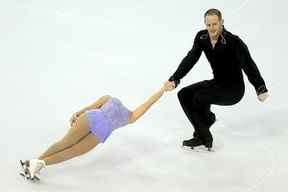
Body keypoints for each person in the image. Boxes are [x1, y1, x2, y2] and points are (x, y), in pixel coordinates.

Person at [165, 8, 269, 151]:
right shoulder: (202, 38)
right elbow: (191, 58)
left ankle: (204, 135)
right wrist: (175, 78)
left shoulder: (234, 41)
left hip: (233, 89)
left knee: (199, 97)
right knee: (184, 94)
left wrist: (260, 87)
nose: (211, 28)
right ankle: (205, 124)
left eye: (215, 24)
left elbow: (248, 65)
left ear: (221, 22)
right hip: (217, 83)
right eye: (208, 25)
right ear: (205, 24)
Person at [20, 83, 171, 181]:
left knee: (66, 144)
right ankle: (34, 165)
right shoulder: (130, 116)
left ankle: (32, 164)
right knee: (70, 150)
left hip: (92, 118)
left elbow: (90, 107)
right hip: (100, 130)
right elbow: (149, 102)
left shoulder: (113, 101)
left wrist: (78, 113)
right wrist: (162, 91)